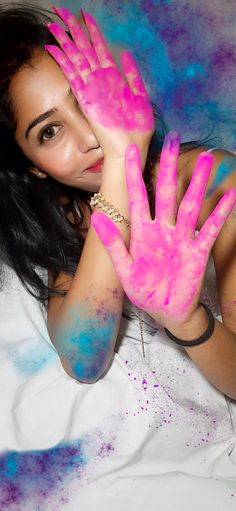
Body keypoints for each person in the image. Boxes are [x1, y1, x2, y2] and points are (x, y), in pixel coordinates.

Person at [0, 3, 235, 400]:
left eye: (85, 101)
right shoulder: (69, 220)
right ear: (33, 168)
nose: (90, 137)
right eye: (50, 131)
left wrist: (192, 323)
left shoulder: (213, 181)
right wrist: (119, 175)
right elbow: (83, 359)